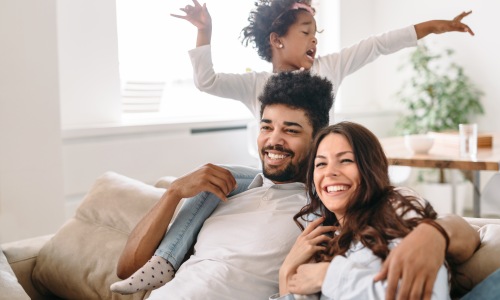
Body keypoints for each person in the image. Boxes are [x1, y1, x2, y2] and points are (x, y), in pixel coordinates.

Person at [111, 72, 480, 300]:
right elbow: (128, 270)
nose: (274, 139)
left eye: (291, 130)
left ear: (317, 138)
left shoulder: (323, 205)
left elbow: (461, 231)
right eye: (267, 126)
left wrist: (435, 234)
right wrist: (174, 192)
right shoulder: (223, 192)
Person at [176, 0, 474, 118]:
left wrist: (436, 26)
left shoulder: (328, 68)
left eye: (316, 33)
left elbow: (378, 45)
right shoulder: (255, 84)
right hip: (274, 181)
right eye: (306, 32)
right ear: (277, 39)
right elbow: (206, 81)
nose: (314, 39)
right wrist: (205, 31)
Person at [273, 121, 451, 299]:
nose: (329, 172)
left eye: (346, 160)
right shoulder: (323, 239)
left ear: (370, 168)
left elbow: (428, 295)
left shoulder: (395, 212)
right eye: (321, 164)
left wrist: (328, 276)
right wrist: (286, 272)